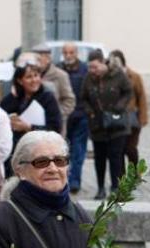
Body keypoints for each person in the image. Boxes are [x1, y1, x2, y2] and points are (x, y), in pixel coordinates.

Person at [80, 49, 133, 199]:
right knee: (100, 157)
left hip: (117, 123)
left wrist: (120, 106)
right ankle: (101, 188)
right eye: (90, 67)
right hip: (97, 124)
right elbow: (83, 98)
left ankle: (116, 188)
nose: (92, 70)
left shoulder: (117, 74)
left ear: (103, 63)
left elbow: (128, 91)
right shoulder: (88, 78)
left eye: (95, 67)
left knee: (116, 156)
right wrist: (89, 111)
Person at [0, 59, 63, 175]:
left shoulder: (47, 98)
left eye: (36, 75)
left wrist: (28, 127)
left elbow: (55, 127)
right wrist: (13, 98)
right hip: (15, 152)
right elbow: (1, 114)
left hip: (39, 151)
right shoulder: (15, 98)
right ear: (20, 80)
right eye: (29, 77)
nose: (34, 80)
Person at [108, 50, 149, 166]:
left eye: (117, 62)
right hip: (117, 119)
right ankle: (122, 179)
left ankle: (134, 175)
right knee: (119, 150)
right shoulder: (110, 77)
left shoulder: (134, 76)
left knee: (130, 148)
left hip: (132, 119)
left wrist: (143, 117)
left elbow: (142, 98)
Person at [60, 42, 90, 192]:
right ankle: (63, 180)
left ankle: (74, 182)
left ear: (76, 53)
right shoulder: (59, 68)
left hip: (81, 116)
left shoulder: (85, 69)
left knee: (78, 151)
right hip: (64, 117)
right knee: (63, 151)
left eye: (71, 52)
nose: (68, 56)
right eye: (65, 53)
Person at [33, 43, 76, 127]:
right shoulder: (30, 76)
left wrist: (56, 113)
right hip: (33, 124)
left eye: (39, 59)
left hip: (54, 126)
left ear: (48, 59)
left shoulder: (60, 75)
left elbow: (70, 100)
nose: (36, 62)